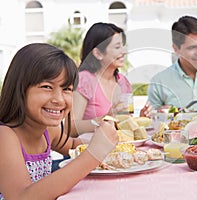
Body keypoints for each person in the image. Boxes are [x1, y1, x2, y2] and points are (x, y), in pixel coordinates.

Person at [0, 43, 118, 199]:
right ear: (20, 89)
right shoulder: (5, 136)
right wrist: (94, 153)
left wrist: (105, 141)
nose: (59, 99)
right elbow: (21, 196)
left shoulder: (48, 131)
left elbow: (74, 147)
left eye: (66, 89)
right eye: (47, 87)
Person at [71, 22, 151, 136]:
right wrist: (103, 120)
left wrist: (138, 119)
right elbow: (71, 127)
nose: (124, 51)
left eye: (123, 46)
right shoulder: (84, 80)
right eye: (117, 47)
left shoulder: (123, 82)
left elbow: (120, 124)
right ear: (98, 53)